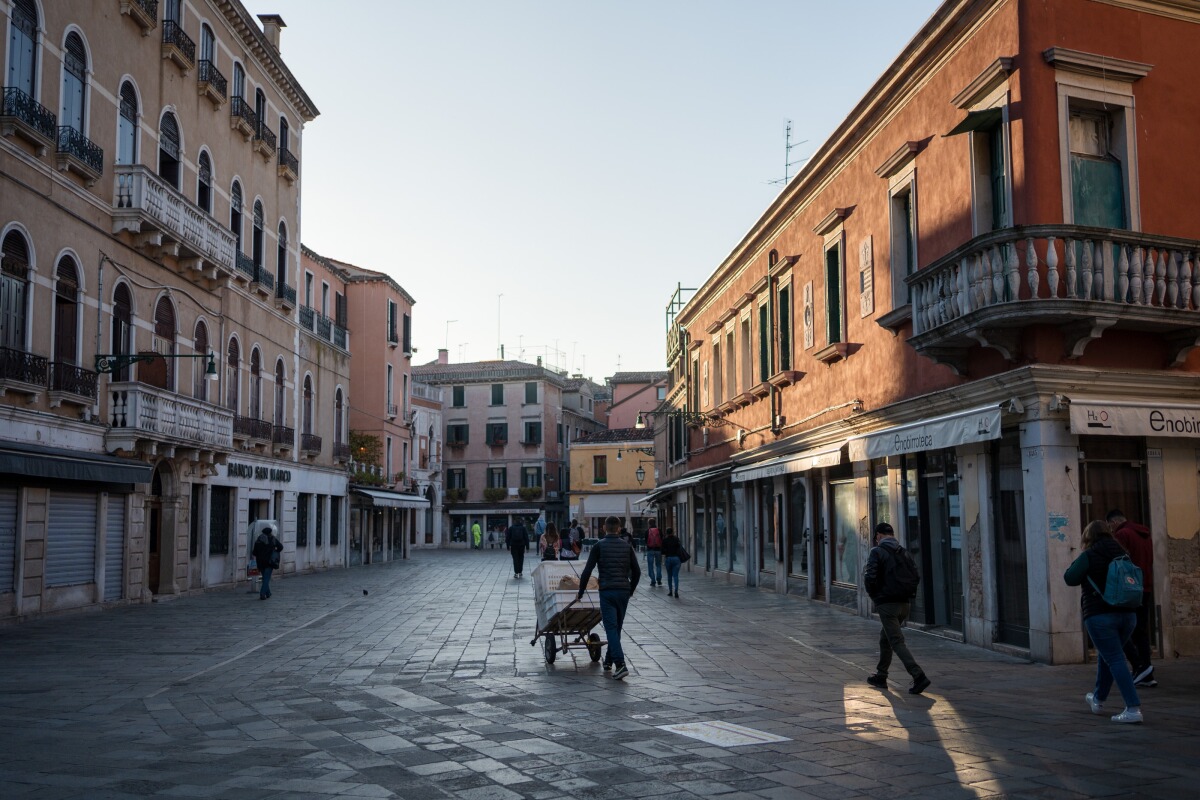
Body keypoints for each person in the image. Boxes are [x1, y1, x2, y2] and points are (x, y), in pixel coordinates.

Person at [1065, 519, 1143, 723]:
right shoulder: (1123, 554)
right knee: (1107, 655)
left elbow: (1070, 578)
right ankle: (1098, 699)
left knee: (1115, 658)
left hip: (1100, 615)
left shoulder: (1089, 555)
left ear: (1088, 537)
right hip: (1128, 614)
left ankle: (1133, 708)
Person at [863, 522, 931, 695]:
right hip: (905, 604)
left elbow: (870, 577)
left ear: (878, 536)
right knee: (885, 639)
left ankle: (918, 676)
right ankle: (881, 675)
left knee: (896, 641)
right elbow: (916, 576)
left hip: (887, 604)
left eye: (876, 537)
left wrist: (876, 597)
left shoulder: (876, 552)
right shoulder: (904, 552)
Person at [577, 516, 641, 680]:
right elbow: (637, 572)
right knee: (617, 627)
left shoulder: (599, 546)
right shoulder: (627, 547)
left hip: (607, 591)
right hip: (623, 591)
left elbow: (587, 570)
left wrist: (581, 591)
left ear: (605, 528)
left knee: (611, 628)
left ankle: (620, 665)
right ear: (619, 529)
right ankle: (608, 661)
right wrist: (631, 589)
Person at [1108, 509, 1156, 688]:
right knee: (1141, 630)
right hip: (1146, 586)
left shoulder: (1122, 534)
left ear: (1113, 523)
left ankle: (1140, 666)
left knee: (1124, 629)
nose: (1111, 531)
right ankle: (1146, 671)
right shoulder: (1145, 534)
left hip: (1129, 589)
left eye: (1110, 527)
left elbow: (1117, 562)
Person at [252, 524, 284, 601]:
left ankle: (268, 593)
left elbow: (254, 552)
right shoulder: (272, 539)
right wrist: (275, 551)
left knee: (265, 577)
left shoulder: (258, 540)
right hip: (269, 562)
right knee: (266, 578)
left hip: (260, 562)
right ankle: (262, 593)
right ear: (270, 532)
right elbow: (281, 547)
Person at [661, 527, 682, 598]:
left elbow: (662, 551)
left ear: (666, 533)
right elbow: (679, 548)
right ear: (672, 532)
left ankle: (670, 591)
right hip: (676, 558)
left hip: (668, 558)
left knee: (669, 576)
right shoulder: (676, 539)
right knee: (676, 576)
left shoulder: (664, 540)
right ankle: (676, 590)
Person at [645, 523, 663, 587]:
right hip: (658, 550)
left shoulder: (647, 531)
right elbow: (661, 540)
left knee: (650, 566)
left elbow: (646, 541)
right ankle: (659, 580)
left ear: (649, 524)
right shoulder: (659, 530)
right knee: (658, 565)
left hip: (650, 550)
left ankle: (653, 581)